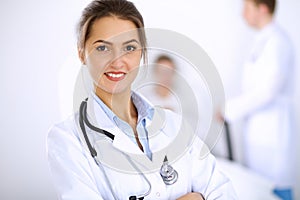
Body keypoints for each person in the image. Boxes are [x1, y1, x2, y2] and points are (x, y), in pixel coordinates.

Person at [47, 0, 237, 199]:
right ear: (82, 53)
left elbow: (223, 192)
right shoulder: (67, 139)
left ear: (142, 53)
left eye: (129, 48)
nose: (117, 61)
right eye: (103, 48)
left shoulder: (172, 124)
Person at [218, 0, 295, 199]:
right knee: (259, 188)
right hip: (257, 131)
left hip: (273, 133)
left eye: (247, 8)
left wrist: (230, 109)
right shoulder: (262, 40)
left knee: (275, 189)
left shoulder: (278, 41)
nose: (243, 14)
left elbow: (269, 90)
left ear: (262, 8)